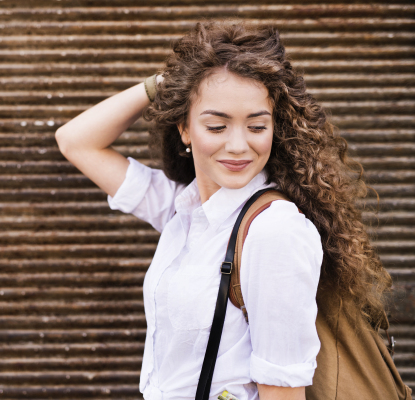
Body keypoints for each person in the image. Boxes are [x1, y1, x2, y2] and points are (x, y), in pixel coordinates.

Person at [54, 21, 391, 400]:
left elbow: (283, 394)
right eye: (216, 126)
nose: (238, 145)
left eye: (256, 125)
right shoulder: (184, 211)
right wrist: (170, 82)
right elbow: (75, 141)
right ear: (184, 128)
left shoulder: (274, 232)